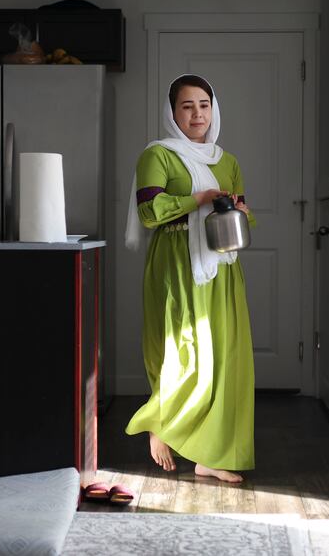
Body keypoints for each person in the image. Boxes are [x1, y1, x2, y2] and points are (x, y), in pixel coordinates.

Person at [124, 74, 256, 483]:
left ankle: (209, 456)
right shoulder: (158, 155)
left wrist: (241, 210)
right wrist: (198, 198)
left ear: (213, 109)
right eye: (187, 106)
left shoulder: (227, 160)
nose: (197, 113)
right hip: (178, 264)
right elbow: (150, 213)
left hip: (222, 265)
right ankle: (159, 424)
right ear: (172, 112)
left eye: (204, 104)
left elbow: (239, 208)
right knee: (183, 352)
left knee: (226, 360)